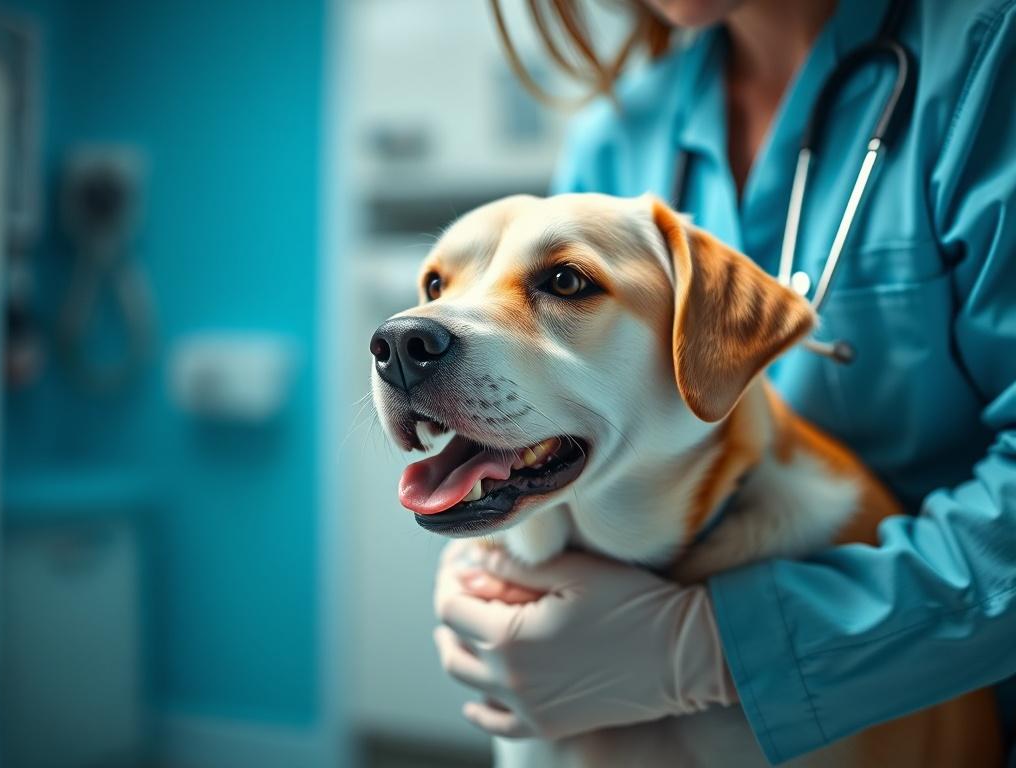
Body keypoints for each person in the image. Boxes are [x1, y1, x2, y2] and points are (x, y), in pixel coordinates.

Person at [432, 0, 1016, 764]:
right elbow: (537, 420)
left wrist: (716, 650)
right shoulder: (617, 139)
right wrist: (490, 569)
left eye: (567, 282)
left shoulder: (986, 57)